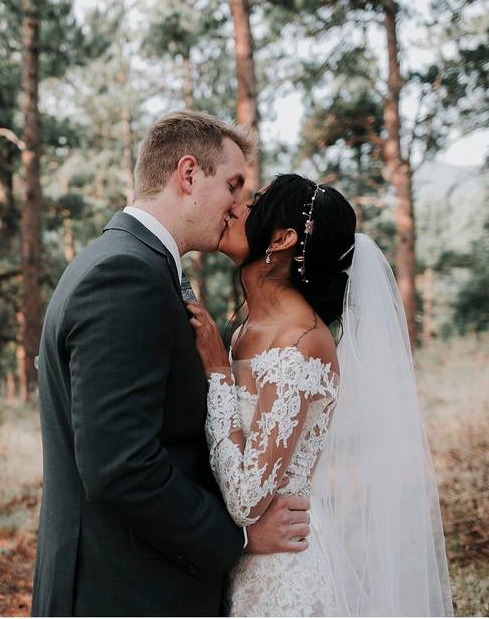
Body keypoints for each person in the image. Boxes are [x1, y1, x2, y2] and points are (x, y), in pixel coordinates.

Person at [31, 112, 312, 617]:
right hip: (124, 593)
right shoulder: (125, 276)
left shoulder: (133, 263)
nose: (239, 205)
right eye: (232, 184)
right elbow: (120, 466)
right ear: (187, 175)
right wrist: (239, 536)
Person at [186, 173, 453, 616]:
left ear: (283, 238)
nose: (235, 207)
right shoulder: (246, 327)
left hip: (282, 580)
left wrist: (217, 372)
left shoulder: (301, 342)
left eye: (252, 204)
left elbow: (247, 496)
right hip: (235, 569)